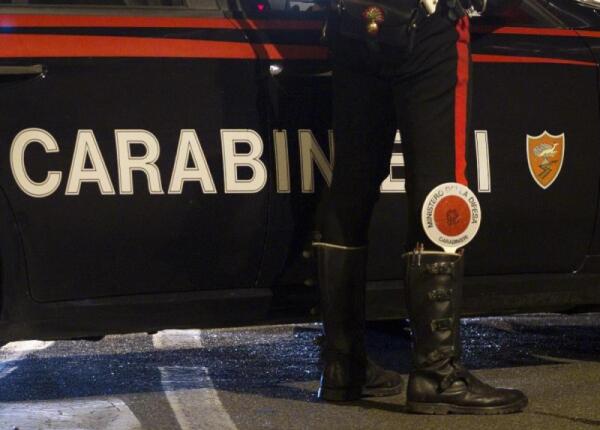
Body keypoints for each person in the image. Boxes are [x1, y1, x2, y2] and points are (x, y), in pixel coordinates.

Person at [313, 0, 529, 414]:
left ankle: (342, 364)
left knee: (351, 185)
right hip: (428, 27)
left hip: (352, 24)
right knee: (441, 190)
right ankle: (437, 374)